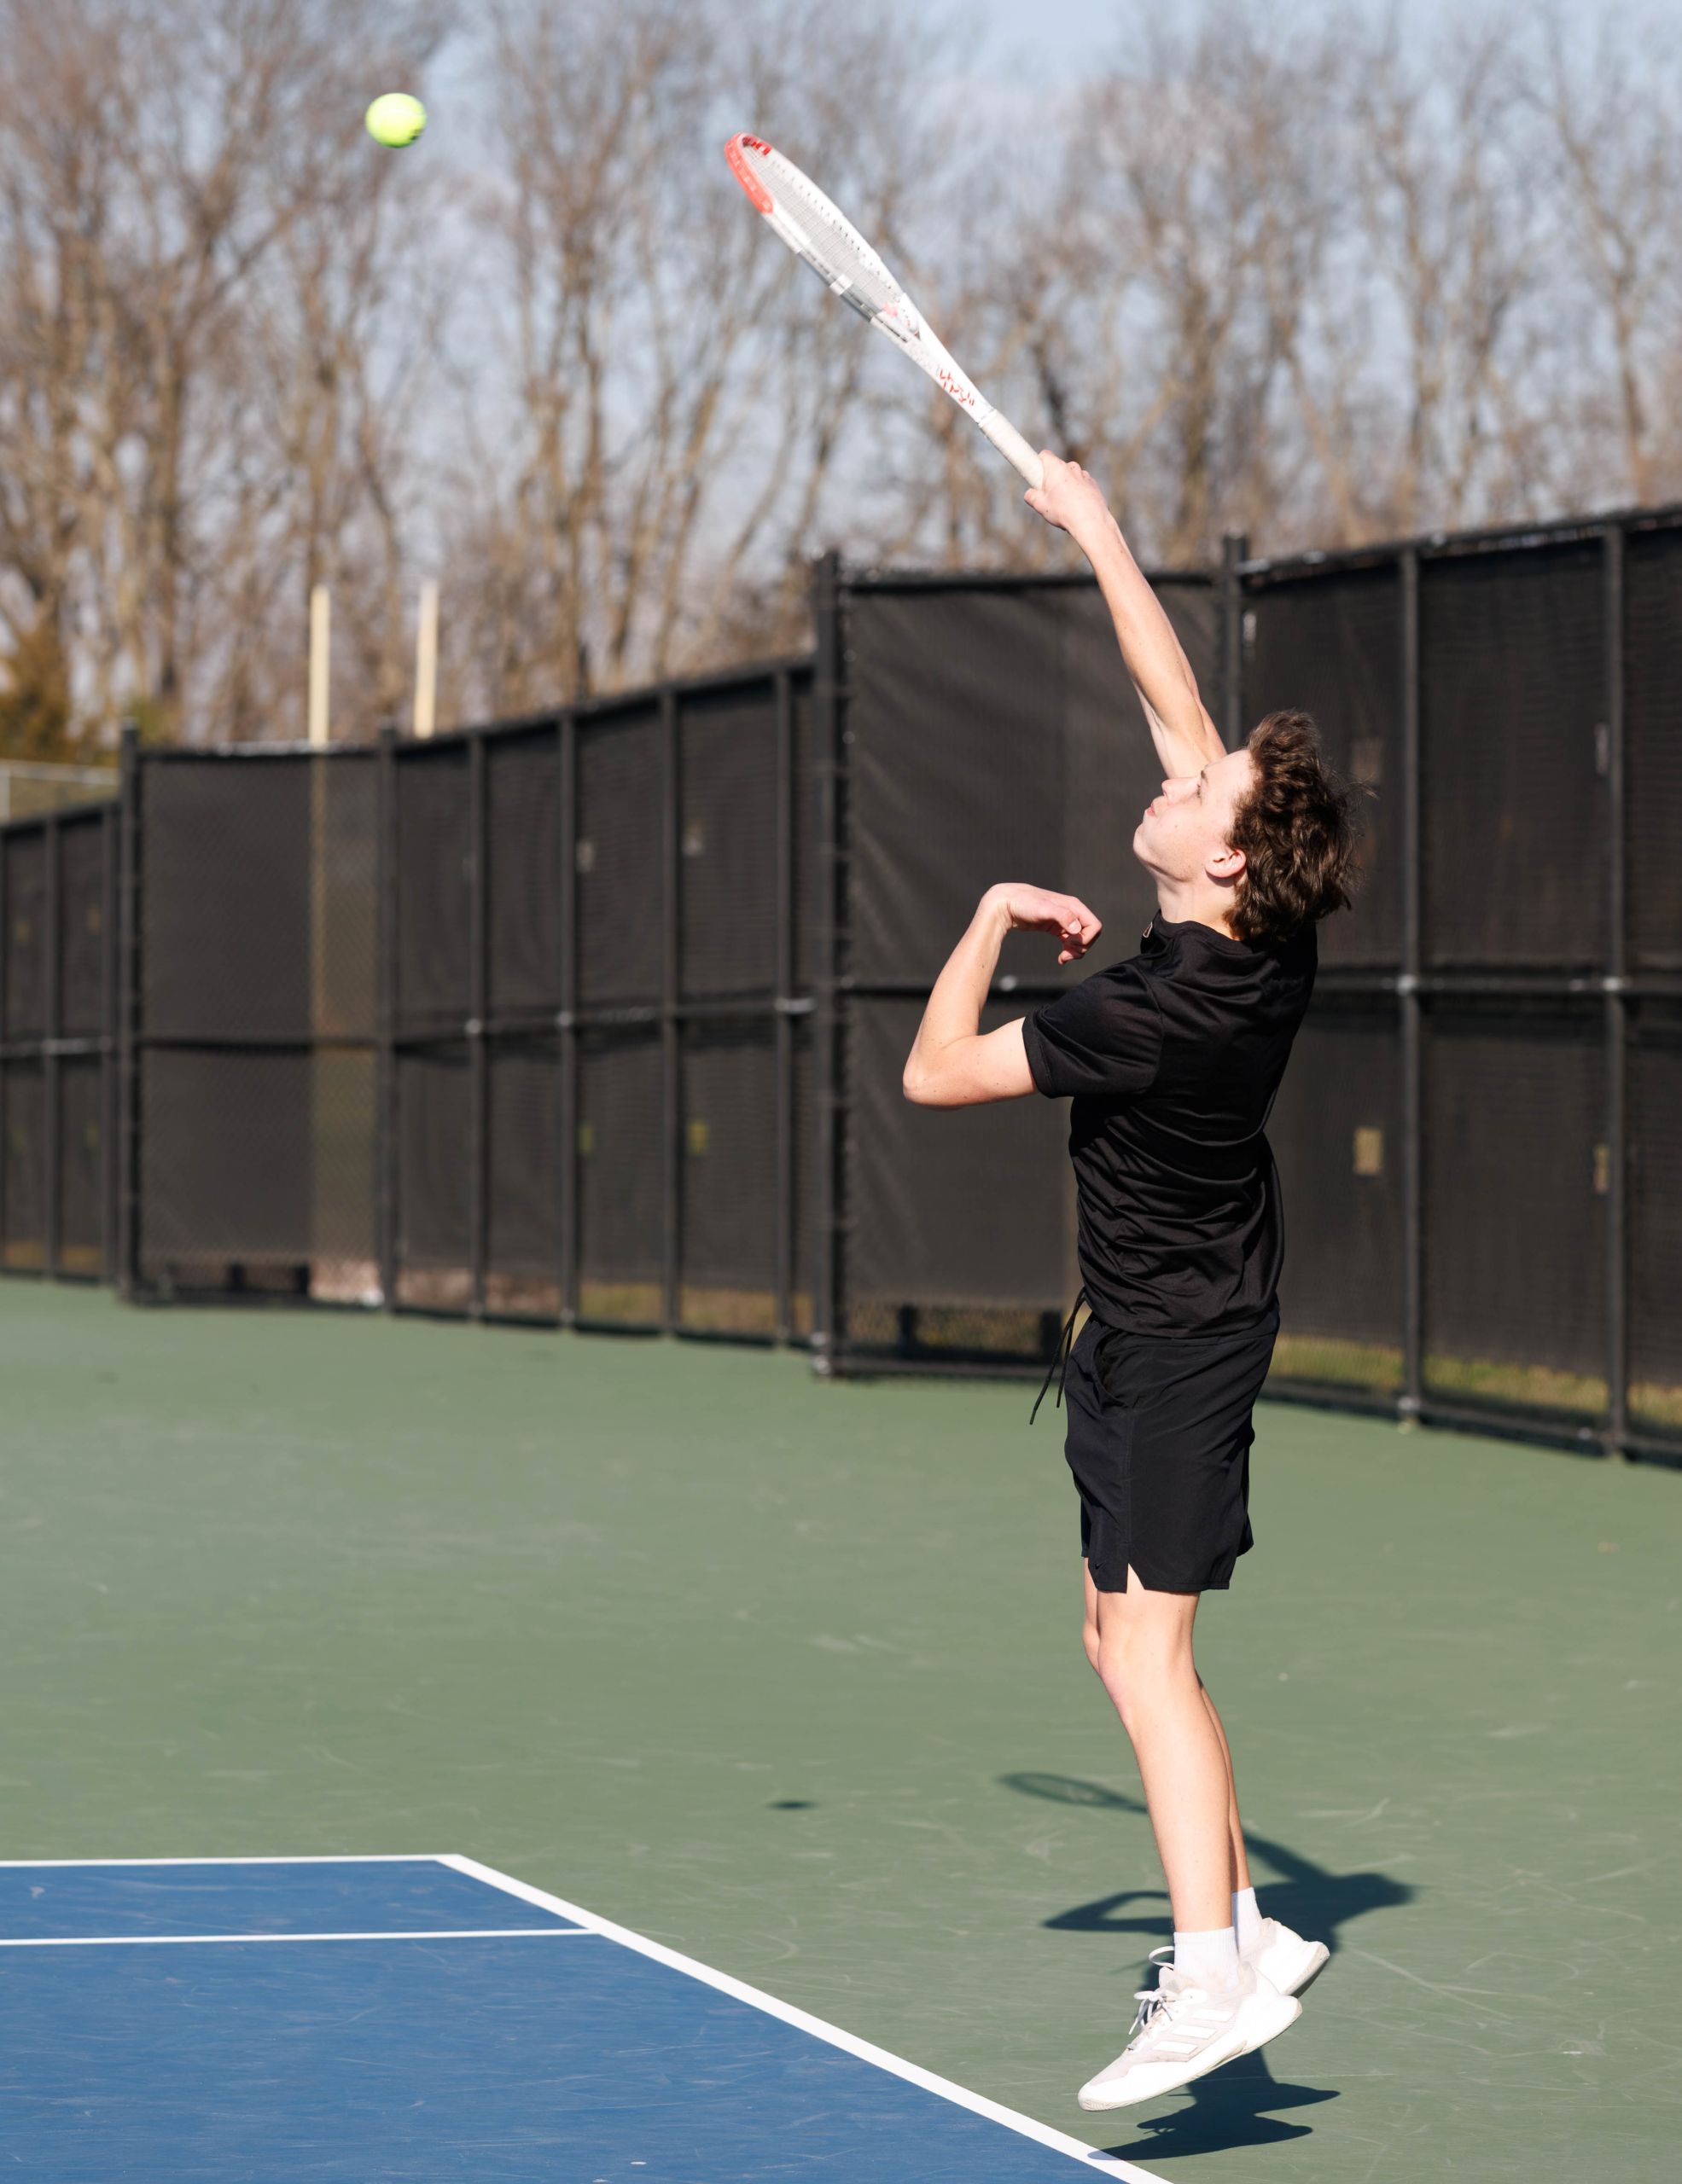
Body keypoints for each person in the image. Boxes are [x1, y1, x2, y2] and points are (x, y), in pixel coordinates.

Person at [900, 452, 1362, 2111]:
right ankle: (1246, 1918)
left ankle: (1212, 1974)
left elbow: (933, 1072)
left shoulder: (1146, 1015)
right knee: (1115, 1639)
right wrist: (1093, 525)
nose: (1175, 775)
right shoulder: (1260, 929)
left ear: (1219, 862)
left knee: (1152, 1657)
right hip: (1145, 1327)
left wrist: (986, 915)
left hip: (1181, 1342)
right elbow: (1173, 697)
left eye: (1200, 789)